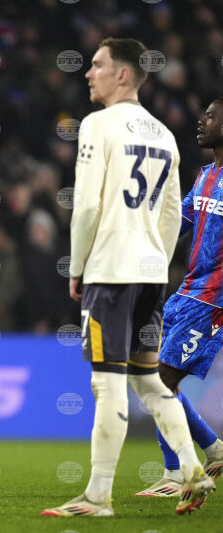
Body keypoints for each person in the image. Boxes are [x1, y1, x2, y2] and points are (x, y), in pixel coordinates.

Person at [41, 38, 214, 517]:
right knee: (149, 380)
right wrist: (155, 259)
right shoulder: (164, 134)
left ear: (122, 74)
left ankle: (98, 496)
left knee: (108, 383)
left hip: (111, 270)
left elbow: (87, 206)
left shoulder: (98, 124)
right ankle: (193, 469)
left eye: (97, 65)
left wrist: (78, 266)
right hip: (150, 273)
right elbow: (172, 214)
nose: (88, 73)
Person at [133, 98, 223, 497]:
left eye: (211, 116)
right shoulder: (206, 175)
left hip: (212, 300)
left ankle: (175, 473)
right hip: (186, 293)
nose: (201, 121)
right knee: (153, 377)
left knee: (160, 380)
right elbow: (175, 225)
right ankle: (214, 450)